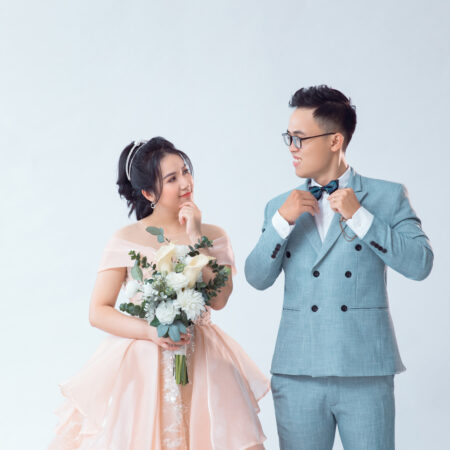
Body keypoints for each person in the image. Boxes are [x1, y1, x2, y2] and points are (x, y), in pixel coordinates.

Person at [49, 137, 269, 450]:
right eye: (172, 178)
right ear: (149, 193)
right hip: (142, 366)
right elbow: (98, 311)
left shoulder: (214, 235)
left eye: (185, 171)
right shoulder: (125, 239)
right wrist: (150, 331)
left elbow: (219, 300)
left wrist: (196, 236)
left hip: (204, 361)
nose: (185, 183)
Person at [245, 85, 434, 450]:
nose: (292, 148)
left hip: (364, 369)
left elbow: (420, 264)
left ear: (335, 140)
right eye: (288, 138)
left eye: (300, 138)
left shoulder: (387, 196)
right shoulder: (279, 205)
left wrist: (361, 217)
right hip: (297, 370)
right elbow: (256, 277)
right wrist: (282, 222)